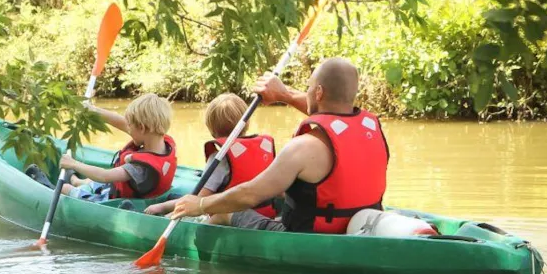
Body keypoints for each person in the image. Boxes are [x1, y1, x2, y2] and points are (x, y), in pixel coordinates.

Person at [170, 57, 389, 233]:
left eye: (309, 87)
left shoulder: (302, 147)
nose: (307, 92)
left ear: (319, 92)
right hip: (361, 226)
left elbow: (249, 195)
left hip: (306, 236)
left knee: (223, 212)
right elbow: (330, 112)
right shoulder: (373, 128)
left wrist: (199, 205)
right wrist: (283, 94)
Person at [143, 93, 276, 217]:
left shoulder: (220, 158)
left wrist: (161, 207)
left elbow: (199, 200)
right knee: (174, 196)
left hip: (229, 219)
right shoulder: (263, 149)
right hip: (263, 214)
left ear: (212, 130)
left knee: (169, 203)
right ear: (246, 123)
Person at [55, 93, 177, 202]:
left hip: (113, 201)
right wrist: (92, 110)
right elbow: (121, 122)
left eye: (130, 126)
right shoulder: (158, 138)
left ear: (142, 128)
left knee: (65, 188)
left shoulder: (140, 168)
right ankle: (77, 181)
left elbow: (104, 176)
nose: (127, 127)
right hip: (114, 186)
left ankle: (66, 187)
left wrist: (73, 164)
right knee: (93, 183)